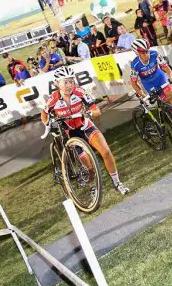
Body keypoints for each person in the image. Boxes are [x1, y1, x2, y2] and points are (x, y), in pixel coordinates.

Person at [42, 66, 129, 195]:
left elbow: (97, 111)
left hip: (85, 125)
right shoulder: (53, 99)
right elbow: (44, 114)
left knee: (106, 152)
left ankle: (117, 183)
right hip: (70, 133)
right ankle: (92, 186)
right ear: (57, 83)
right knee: (89, 167)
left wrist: (90, 113)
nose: (69, 85)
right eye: (65, 82)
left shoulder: (80, 92)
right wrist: (48, 124)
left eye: (71, 81)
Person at [129, 39, 172, 115]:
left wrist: (170, 77)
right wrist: (144, 95)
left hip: (161, 78)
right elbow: (133, 83)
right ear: (137, 54)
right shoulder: (135, 65)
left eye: (147, 51)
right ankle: (171, 117)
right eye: (143, 53)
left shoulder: (155, 54)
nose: (147, 54)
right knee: (163, 103)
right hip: (149, 85)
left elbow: (166, 68)